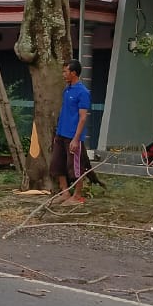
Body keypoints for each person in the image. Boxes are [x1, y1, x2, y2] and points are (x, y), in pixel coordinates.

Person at [51, 58, 92, 206]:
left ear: (73, 73)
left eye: (65, 71)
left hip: (73, 136)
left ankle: (78, 196)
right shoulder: (66, 89)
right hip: (61, 134)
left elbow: (82, 118)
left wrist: (76, 139)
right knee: (57, 164)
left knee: (75, 167)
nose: (63, 74)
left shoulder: (83, 92)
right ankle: (64, 192)